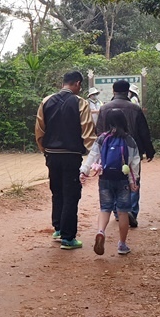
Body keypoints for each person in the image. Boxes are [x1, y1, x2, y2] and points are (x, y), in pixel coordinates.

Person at [35, 71, 97, 250]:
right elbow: (87, 132)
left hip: (51, 155)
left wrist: (45, 151)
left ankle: (58, 228)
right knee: (71, 194)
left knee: (57, 190)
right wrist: (94, 157)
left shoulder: (46, 101)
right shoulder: (80, 103)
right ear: (77, 83)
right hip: (71, 155)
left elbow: (40, 129)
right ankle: (68, 238)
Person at [80, 109, 141, 255]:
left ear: (108, 122)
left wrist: (84, 171)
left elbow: (93, 156)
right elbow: (135, 163)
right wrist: (134, 181)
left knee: (105, 208)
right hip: (122, 180)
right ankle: (122, 245)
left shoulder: (102, 138)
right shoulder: (129, 140)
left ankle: (101, 231)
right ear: (123, 121)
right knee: (123, 212)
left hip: (105, 178)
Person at [96, 80, 155, 228]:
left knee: (113, 179)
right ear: (128, 91)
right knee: (133, 178)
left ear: (113, 91)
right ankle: (131, 212)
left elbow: (99, 131)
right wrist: (149, 150)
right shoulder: (135, 109)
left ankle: (118, 212)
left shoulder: (105, 109)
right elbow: (144, 132)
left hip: (110, 153)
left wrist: (100, 152)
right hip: (132, 150)